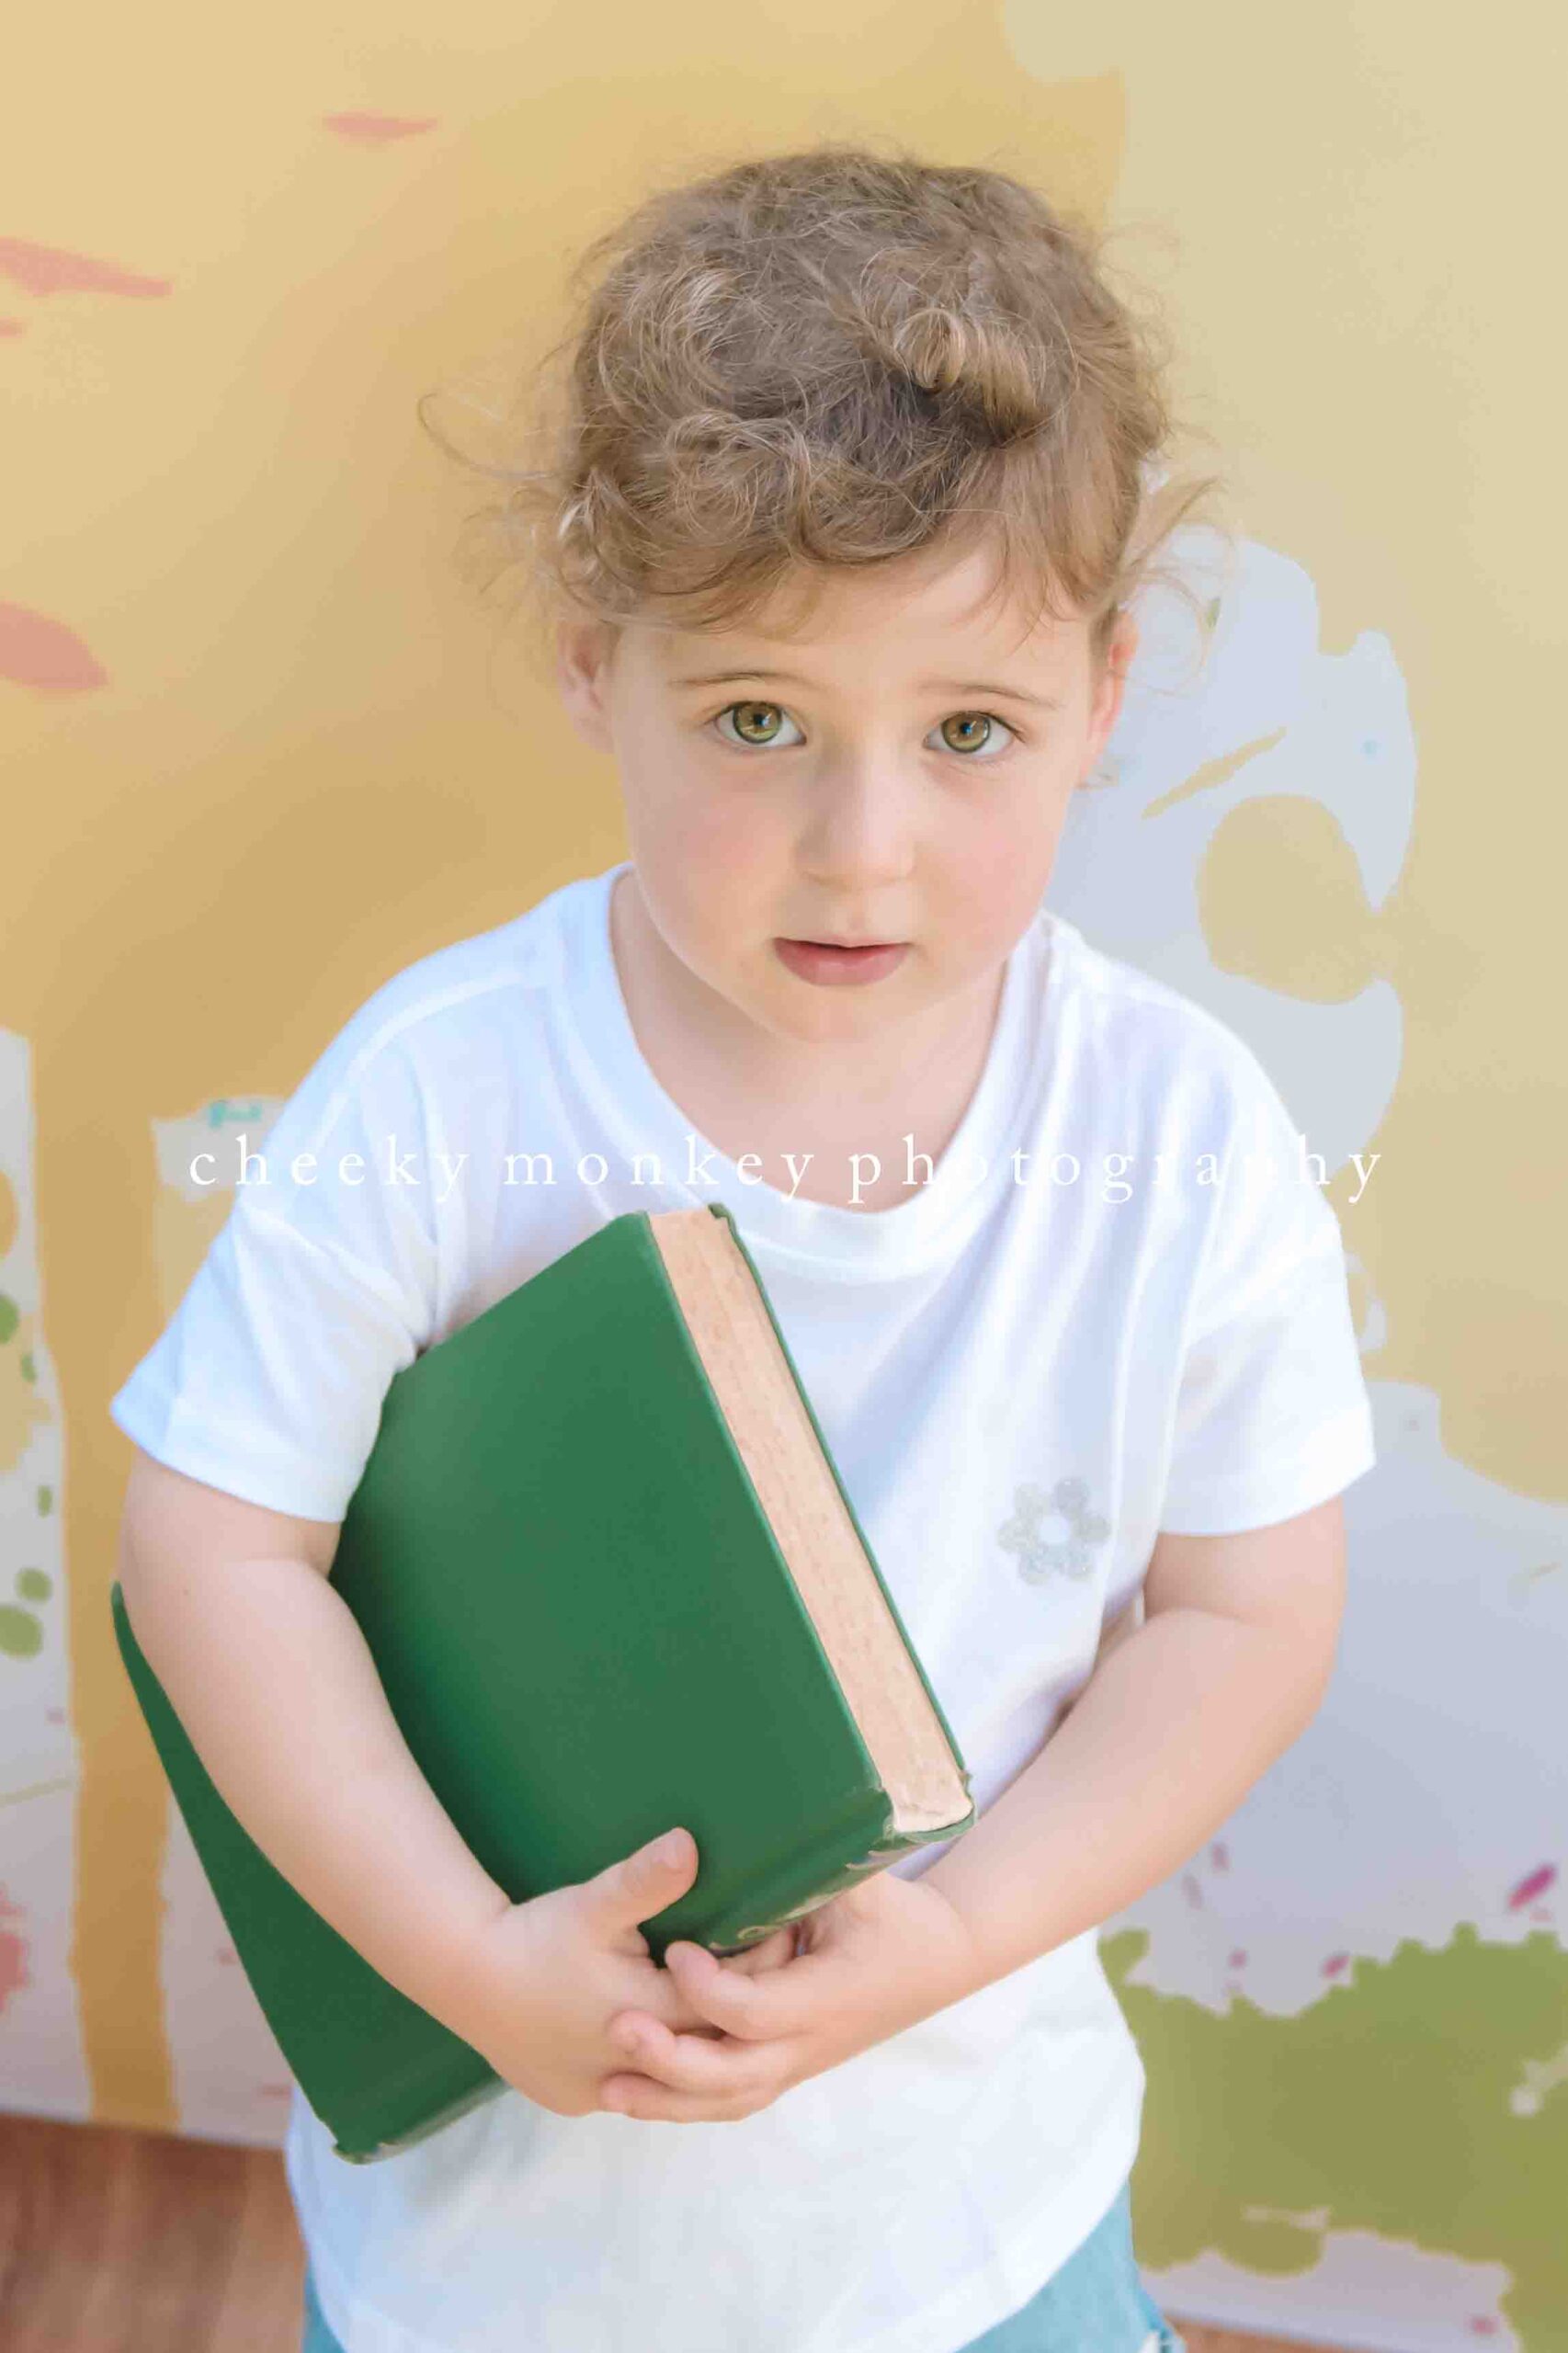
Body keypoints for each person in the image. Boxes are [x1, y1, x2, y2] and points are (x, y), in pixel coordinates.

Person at [110, 144, 1377, 2353]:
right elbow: (209, 1545)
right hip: (496, 2267)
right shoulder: (441, 1091)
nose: (858, 849)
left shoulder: (1175, 1132)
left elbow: (1247, 1608)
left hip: (979, 2229)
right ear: (595, 666)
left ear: (1101, 691)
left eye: (967, 730)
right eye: (758, 720)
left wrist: (951, 1929)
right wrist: (467, 1959)